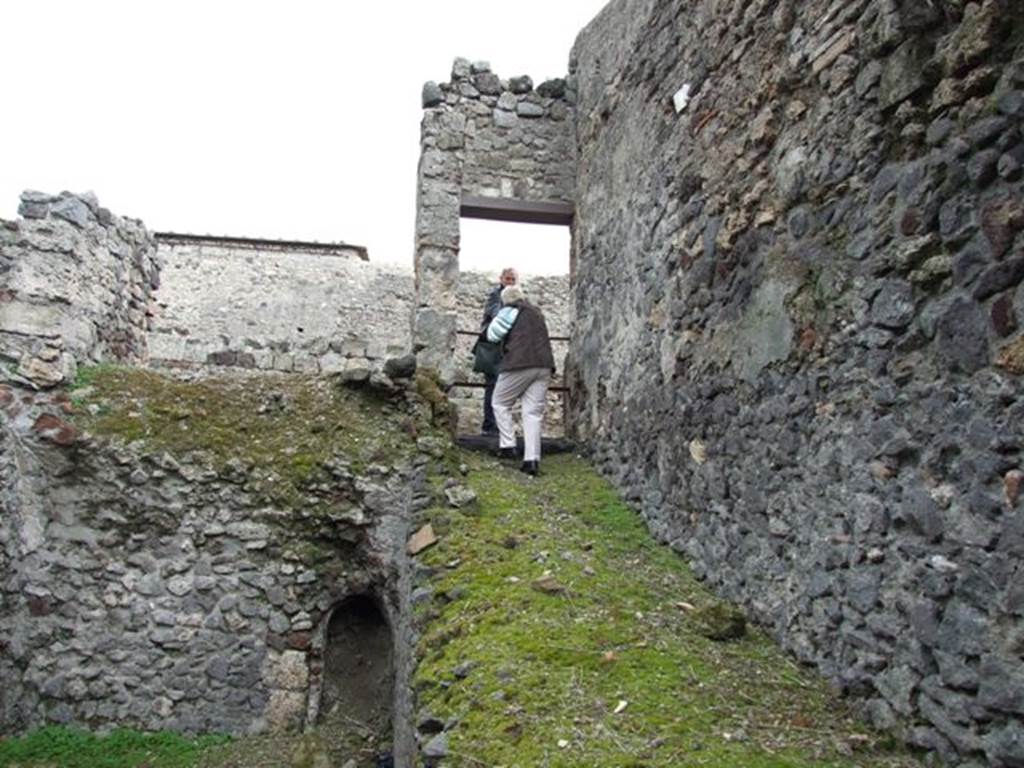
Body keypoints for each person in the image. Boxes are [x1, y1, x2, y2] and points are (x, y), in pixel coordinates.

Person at [486, 283, 555, 476]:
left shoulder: (510, 310)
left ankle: (508, 445)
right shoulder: (536, 312)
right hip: (544, 365)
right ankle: (531, 460)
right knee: (532, 413)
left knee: (499, 402)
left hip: (519, 363)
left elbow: (493, 335)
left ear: (505, 300)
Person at [479, 267, 518, 435]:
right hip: (492, 347)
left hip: (503, 348)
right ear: (501, 279)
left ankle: (497, 425)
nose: (509, 282)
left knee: (502, 386)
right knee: (492, 385)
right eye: (507, 279)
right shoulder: (496, 295)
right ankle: (489, 425)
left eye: (512, 280)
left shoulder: (515, 298)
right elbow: (495, 314)